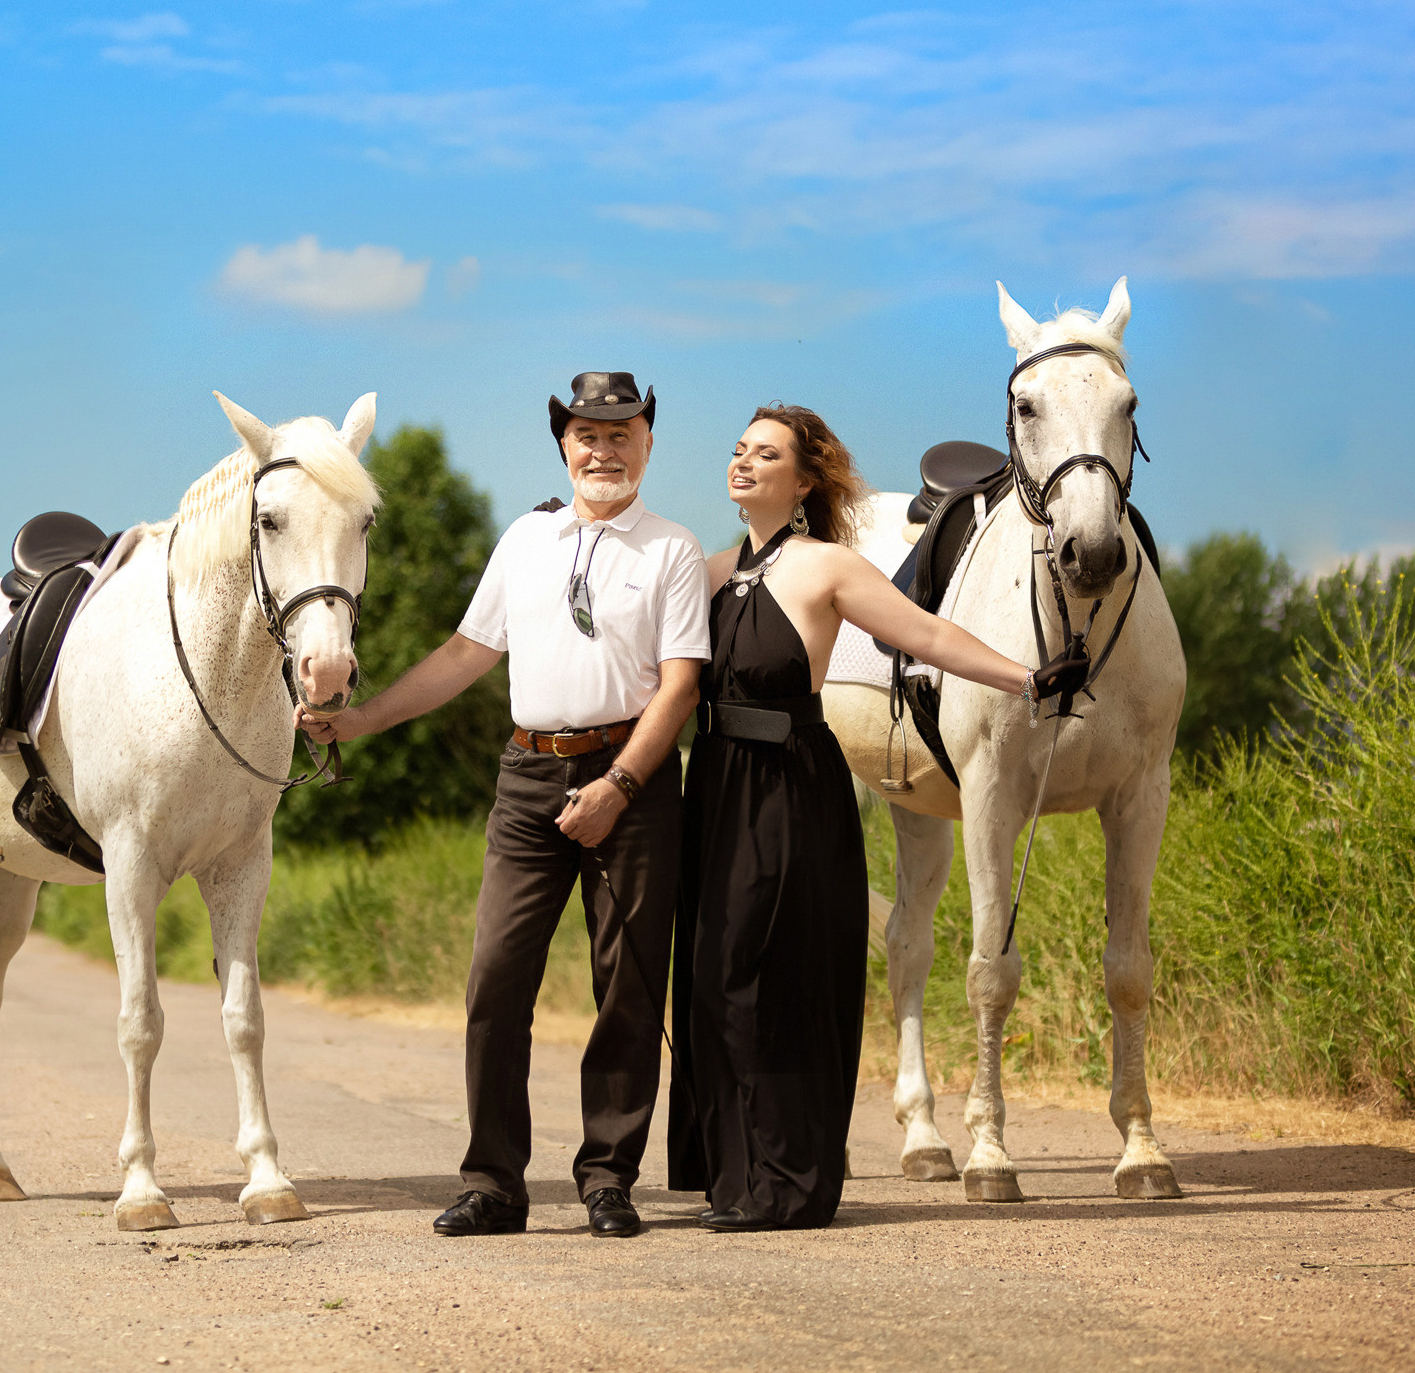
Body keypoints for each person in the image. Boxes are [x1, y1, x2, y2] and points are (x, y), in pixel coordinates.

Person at [298, 372, 708, 1241]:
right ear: (564, 443)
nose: (605, 449)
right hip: (527, 777)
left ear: (647, 442)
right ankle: (494, 1185)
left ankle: (607, 1180)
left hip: (628, 778)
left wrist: (619, 786)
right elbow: (462, 653)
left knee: (627, 988)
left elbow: (680, 690)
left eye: (622, 433)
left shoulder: (672, 548)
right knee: (494, 983)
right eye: (589, 435)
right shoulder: (524, 538)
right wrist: (359, 721)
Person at [669, 404, 1085, 1232]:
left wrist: (1028, 678)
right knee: (715, 979)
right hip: (713, 785)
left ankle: (791, 1182)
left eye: (766, 454)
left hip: (790, 785)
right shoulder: (707, 572)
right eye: (738, 450)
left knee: (780, 978)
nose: (743, 464)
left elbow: (928, 635)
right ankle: (735, 1177)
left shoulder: (830, 567)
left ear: (804, 480)